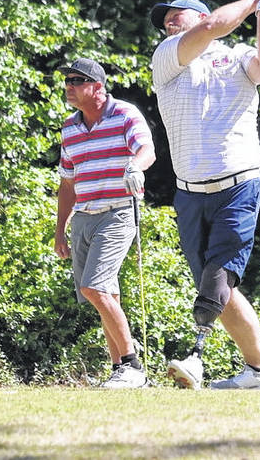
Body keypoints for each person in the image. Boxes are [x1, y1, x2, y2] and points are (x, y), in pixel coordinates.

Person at [149, 0, 260, 390]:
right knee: (216, 286)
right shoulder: (166, 57)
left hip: (238, 182)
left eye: (177, 16)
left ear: (201, 13)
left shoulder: (239, 53)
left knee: (217, 279)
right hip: (189, 192)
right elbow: (212, 27)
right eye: (166, 20)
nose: (169, 23)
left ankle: (197, 355)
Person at [54, 58, 156, 389]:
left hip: (118, 210)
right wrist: (60, 231)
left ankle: (132, 365)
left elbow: (147, 150)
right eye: (67, 81)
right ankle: (118, 369)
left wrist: (135, 167)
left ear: (98, 86)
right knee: (105, 293)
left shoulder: (125, 114)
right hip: (84, 215)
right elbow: (68, 183)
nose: (69, 86)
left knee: (94, 287)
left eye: (77, 80)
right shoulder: (69, 127)